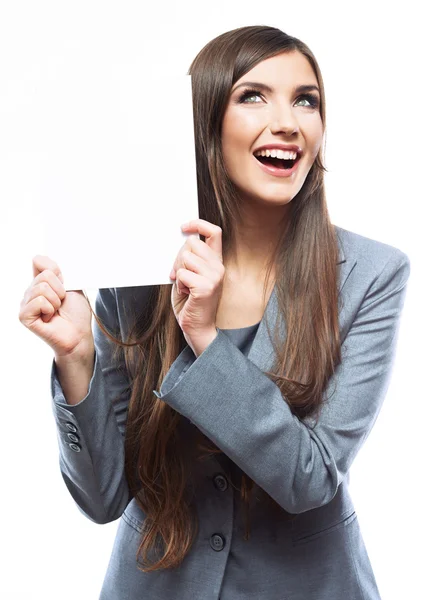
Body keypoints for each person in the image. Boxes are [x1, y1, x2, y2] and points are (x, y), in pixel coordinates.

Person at [19, 25, 410, 600]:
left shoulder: (370, 273)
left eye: (307, 99)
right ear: (204, 122)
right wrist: (76, 358)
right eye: (253, 96)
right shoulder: (134, 267)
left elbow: (309, 479)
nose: (288, 121)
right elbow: (103, 499)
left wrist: (204, 337)